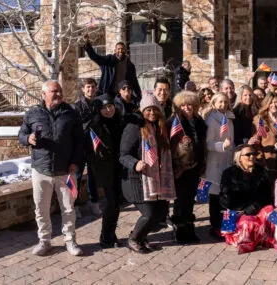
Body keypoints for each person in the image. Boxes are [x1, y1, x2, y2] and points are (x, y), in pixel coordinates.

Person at [18, 80, 84, 256]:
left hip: (66, 172)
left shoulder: (71, 113)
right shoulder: (32, 113)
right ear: (43, 94)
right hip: (41, 170)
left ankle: (70, 241)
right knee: (41, 208)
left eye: (60, 91)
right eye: (54, 91)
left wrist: (75, 162)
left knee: (68, 209)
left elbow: (80, 142)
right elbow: (21, 134)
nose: (59, 94)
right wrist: (28, 139)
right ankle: (44, 241)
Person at [118, 93, 177, 253]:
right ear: (142, 110)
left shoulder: (160, 128)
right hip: (136, 180)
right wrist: (135, 163)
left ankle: (142, 237)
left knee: (159, 215)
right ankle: (133, 239)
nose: (152, 113)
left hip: (155, 179)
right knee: (149, 214)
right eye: (148, 110)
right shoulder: (134, 127)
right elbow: (123, 154)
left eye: (155, 109)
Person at [219, 145, 277, 252]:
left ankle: (267, 238)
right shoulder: (229, 173)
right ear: (239, 157)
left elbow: (267, 196)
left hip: (257, 209)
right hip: (239, 212)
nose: (252, 156)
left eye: (253, 154)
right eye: (248, 154)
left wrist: (255, 206)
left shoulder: (261, 171)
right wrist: (244, 209)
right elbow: (225, 199)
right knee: (248, 224)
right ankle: (251, 240)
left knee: (273, 213)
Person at [168, 91, 207, 244]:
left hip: (195, 165)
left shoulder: (200, 122)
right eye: (183, 105)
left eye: (189, 104)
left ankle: (189, 230)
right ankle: (179, 231)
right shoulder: (174, 122)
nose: (186, 107)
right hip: (180, 167)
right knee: (180, 200)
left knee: (190, 199)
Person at [86, 95, 124, 248]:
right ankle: (105, 235)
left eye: (110, 106)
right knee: (110, 202)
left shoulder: (119, 121)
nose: (108, 110)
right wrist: (99, 155)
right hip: (104, 169)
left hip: (119, 167)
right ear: (98, 109)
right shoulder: (94, 126)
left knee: (116, 204)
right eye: (104, 108)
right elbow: (88, 150)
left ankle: (111, 233)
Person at [205, 93, 236, 239]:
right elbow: (208, 143)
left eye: (225, 102)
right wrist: (221, 146)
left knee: (227, 194)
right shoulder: (211, 120)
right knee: (215, 195)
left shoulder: (229, 119)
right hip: (215, 161)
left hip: (227, 159)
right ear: (214, 103)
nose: (223, 105)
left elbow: (232, 140)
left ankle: (226, 225)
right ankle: (215, 226)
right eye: (220, 102)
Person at [72, 78, 102, 216]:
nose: (91, 89)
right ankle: (74, 205)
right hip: (80, 146)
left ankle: (93, 202)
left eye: (93, 87)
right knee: (76, 177)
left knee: (94, 175)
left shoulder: (98, 104)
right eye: (88, 87)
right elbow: (75, 128)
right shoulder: (77, 106)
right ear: (83, 89)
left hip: (93, 145)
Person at [249, 94, 277, 181]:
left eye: (276, 102)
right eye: (271, 102)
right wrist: (261, 159)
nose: (274, 105)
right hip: (267, 160)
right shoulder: (259, 119)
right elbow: (256, 142)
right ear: (267, 104)